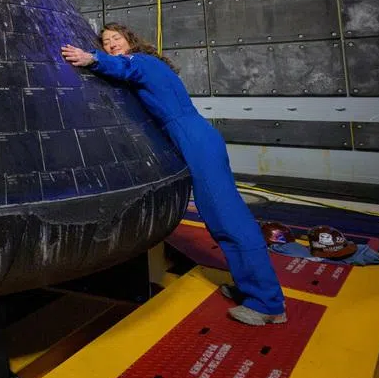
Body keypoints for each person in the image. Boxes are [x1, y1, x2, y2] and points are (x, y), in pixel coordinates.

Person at [61, 23, 287, 326]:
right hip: (192, 137)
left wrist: (92, 59)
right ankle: (251, 289)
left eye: (116, 38)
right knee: (220, 218)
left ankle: (268, 303)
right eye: (105, 42)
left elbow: (126, 70)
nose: (111, 44)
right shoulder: (147, 64)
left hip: (193, 138)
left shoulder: (141, 62)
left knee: (229, 219)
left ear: (130, 41)